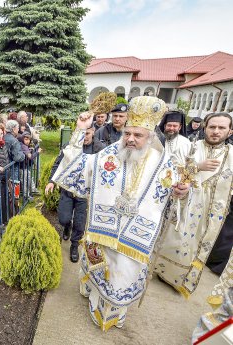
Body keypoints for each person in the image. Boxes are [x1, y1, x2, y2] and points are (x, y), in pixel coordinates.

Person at [52, 96, 190, 330]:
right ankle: (94, 301)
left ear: (150, 137)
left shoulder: (165, 164)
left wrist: (181, 193)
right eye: (128, 133)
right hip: (103, 231)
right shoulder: (108, 155)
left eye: (138, 135)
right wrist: (79, 132)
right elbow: (77, 166)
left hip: (136, 238)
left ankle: (115, 314)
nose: (130, 139)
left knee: (122, 276)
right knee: (100, 270)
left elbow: (176, 197)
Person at [155, 112, 233, 294]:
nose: (216, 131)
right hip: (187, 202)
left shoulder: (231, 155)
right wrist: (198, 166)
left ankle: (183, 280)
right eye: (212, 127)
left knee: (198, 244)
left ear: (230, 131)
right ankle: (165, 273)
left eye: (221, 128)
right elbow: (175, 170)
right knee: (178, 239)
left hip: (212, 211)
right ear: (205, 128)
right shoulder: (192, 147)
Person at [45, 124, 95, 262]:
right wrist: (51, 181)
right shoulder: (69, 147)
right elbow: (58, 164)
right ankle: (67, 226)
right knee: (63, 218)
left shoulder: (98, 149)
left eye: (88, 134)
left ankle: (74, 245)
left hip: (84, 194)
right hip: (67, 190)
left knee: (80, 223)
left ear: (93, 133)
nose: (85, 137)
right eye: (82, 134)